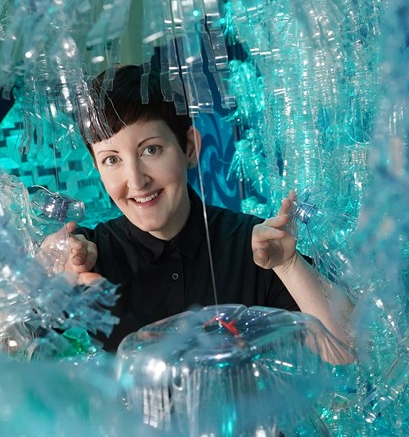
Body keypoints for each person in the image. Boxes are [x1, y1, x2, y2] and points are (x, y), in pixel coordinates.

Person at [50, 65, 353, 355]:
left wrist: (288, 265)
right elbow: (12, 349)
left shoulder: (257, 246)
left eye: (150, 150)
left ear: (190, 147)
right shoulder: (84, 258)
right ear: (97, 169)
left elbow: (347, 349)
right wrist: (43, 271)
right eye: (112, 160)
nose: (137, 180)